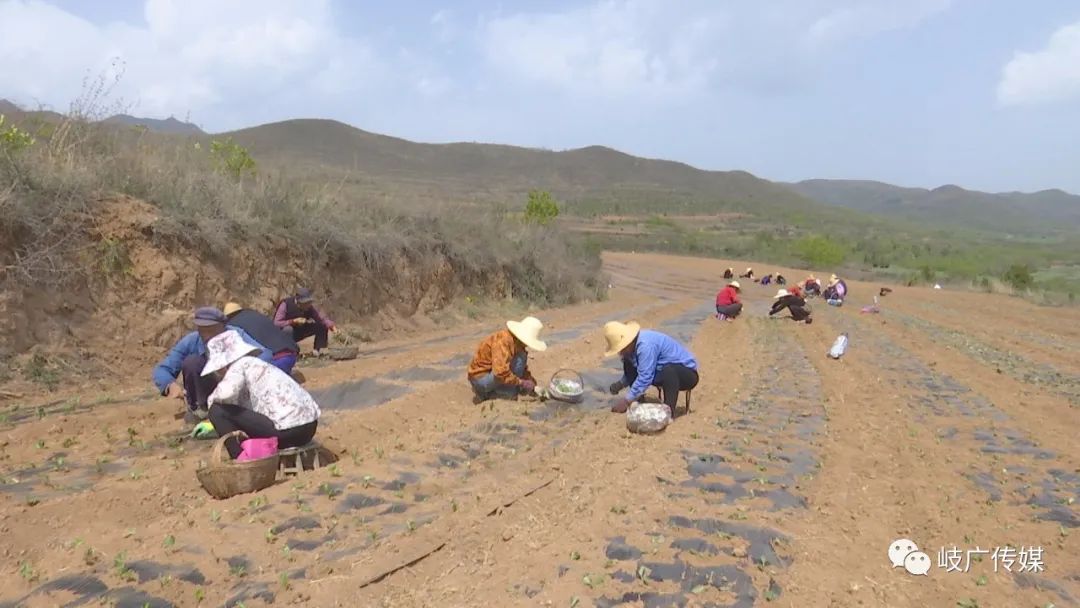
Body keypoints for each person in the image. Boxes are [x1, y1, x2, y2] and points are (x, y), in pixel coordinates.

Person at [202, 330, 320, 460]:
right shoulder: (257, 364)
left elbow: (224, 394)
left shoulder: (239, 366)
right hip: (308, 428)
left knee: (217, 410)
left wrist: (210, 404)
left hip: (288, 432)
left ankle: (241, 458)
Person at [152, 307, 273, 421]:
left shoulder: (236, 334)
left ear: (223, 326)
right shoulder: (191, 340)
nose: (207, 335)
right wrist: (170, 385)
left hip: (235, 388)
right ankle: (199, 410)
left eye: (211, 329)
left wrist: (243, 368)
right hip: (207, 388)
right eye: (202, 330)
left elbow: (265, 354)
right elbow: (163, 369)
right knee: (192, 362)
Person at [604, 321, 699, 418]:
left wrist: (626, 401)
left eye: (621, 349)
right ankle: (638, 400)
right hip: (661, 370)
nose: (620, 352)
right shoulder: (633, 347)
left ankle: (668, 413)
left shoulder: (645, 346)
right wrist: (621, 384)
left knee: (669, 371)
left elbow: (645, 376)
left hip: (687, 374)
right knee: (628, 361)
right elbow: (637, 369)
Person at [467, 316, 546, 402]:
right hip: (481, 380)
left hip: (491, 375)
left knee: (521, 357)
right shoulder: (502, 341)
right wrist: (521, 383)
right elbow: (500, 372)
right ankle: (494, 393)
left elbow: (523, 370)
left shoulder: (516, 344)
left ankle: (502, 391)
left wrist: (532, 384)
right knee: (520, 359)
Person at [224, 302, 300, 375]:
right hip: (291, 355)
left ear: (227, 317)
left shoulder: (232, 326)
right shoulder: (254, 314)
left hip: (275, 361)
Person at [274, 288, 336, 356]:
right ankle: (288, 352)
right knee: (288, 329)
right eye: (304, 303)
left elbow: (321, 318)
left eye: (308, 302)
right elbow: (276, 323)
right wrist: (293, 321)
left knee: (321, 325)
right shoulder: (285, 304)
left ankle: (318, 350)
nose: (307, 305)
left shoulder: (309, 307)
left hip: (300, 331)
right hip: (285, 334)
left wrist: (331, 326)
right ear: (298, 301)